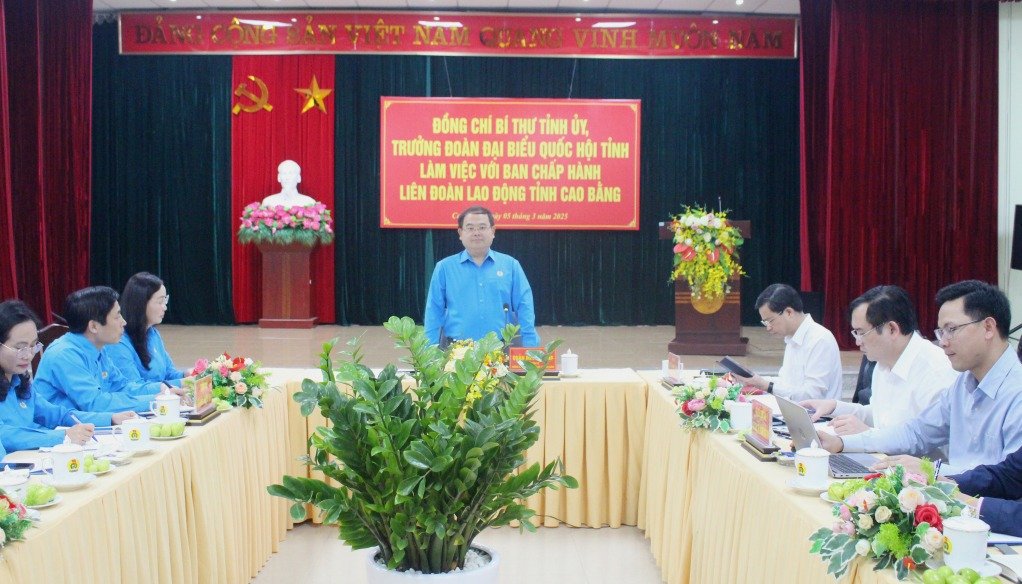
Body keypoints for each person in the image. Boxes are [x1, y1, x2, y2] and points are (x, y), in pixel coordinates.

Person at [817, 280, 1022, 476]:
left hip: (986, 507)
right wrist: (843, 443)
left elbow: (1007, 480)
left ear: (988, 328)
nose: (943, 342)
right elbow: (917, 432)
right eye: (941, 332)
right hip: (954, 497)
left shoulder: (1015, 393)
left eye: (951, 330)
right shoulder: (963, 384)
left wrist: (931, 470)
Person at [801, 286, 956, 435]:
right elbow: (879, 416)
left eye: (861, 333)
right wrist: (834, 407)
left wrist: (868, 434)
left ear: (892, 329)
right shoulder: (883, 363)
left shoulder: (935, 371)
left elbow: (929, 444)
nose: (857, 342)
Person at [0, 300, 135, 451]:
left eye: (33, 346)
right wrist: (63, 436)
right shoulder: (64, 353)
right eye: (20, 348)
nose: (28, 355)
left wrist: (110, 418)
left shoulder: (19, 382)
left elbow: (57, 415)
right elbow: (5, 435)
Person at [35, 286, 183, 415]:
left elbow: (122, 386)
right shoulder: (65, 355)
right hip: (62, 433)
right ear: (93, 326)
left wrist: (163, 389)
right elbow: (96, 404)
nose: (123, 322)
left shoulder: (98, 348)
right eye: (117, 316)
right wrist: (156, 399)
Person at [424, 206, 539, 347]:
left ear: (493, 231)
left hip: (501, 348)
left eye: (482, 227)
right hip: (457, 350)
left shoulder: (511, 266)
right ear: (460, 233)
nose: (476, 233)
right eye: (470, 228)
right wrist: (429, 350)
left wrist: (530, 346)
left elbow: (525, 307)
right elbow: (434, 312)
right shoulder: (444, 268)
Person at [732, 283, 843, 400]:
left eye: (770, 321)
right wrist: (755, 380)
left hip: (820, 416)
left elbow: (812, 395)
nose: (768, 328)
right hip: (796, 411)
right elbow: (786, 383)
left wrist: (765, 385)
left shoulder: (820, 339)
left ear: (789, 312)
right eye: (765, 323)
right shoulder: (792, 337)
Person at [106, 272, 185, 387]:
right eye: (160, 301)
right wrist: (182, 383)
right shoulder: (119, 342)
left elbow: (169, 373)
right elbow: (134, 388)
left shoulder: (153, 334)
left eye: (165, 300)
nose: (165, 307)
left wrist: (187, 374)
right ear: (141, 304)